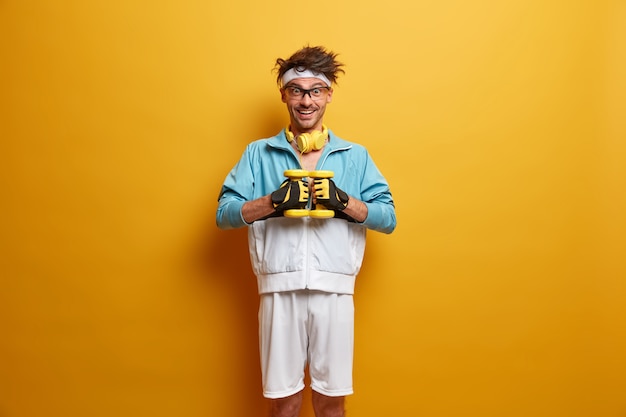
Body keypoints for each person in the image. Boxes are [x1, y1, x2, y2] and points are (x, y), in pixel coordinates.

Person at [216, 45, 396, 417]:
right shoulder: (257, 153)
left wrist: (343, 202)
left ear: (328, 95)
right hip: (279, 289)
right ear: (284, 94)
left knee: (331, 403)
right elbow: (225, 213)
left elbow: (387, 217)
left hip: (335, 290)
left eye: (315, 90)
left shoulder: (355, 156)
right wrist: (271, 202)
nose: (306, 101)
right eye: (297, 90)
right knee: (284, 402)